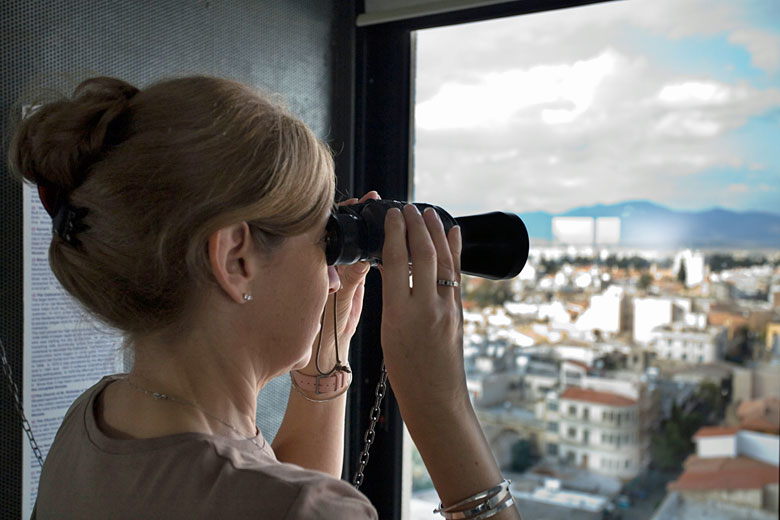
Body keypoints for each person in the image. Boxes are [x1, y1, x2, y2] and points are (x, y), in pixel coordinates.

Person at [9, 75, 521, 519]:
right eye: (325, 242)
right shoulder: (294, 509)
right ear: (236, 259)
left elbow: (274, 483)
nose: (333, 278)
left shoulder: (96, 418)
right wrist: (441, 404)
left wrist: (325, 357)